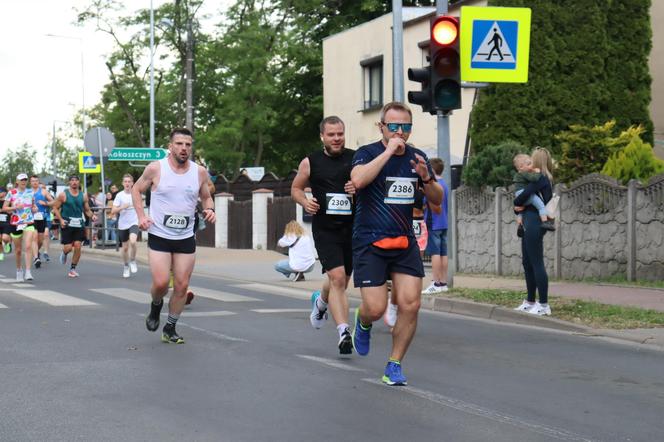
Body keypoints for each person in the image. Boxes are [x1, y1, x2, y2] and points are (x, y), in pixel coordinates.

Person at [350, 102, 443, 386]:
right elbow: (359, 180)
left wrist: (426, 177)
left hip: (404, 242)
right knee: (376, 308)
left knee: (411, 304)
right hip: (370, 240)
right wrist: (389, 151)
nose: (400, 132)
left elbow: (437, 201)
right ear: (381, 127)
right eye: (394, 127)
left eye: (405, 127)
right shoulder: (366, 153)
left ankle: (394, 364)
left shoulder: (418, 157)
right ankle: (363, 321)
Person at [132, 128, 216, 344]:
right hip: (159, 233)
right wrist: (141, 216)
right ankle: (156, 305)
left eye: (188, 144)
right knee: (161, 284)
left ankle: (170, 327)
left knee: (181, 286)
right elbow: (136, 190)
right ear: (170, 147)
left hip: (186, 236)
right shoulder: (155, 168)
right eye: (179, 144)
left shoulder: (199, 172)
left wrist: (210, 209)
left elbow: (206, 197)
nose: (184, 148)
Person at [291, 115, 356, 354]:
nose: (337, 138)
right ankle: (343, 333)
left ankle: (320, 302)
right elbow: (296, 188)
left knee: (341, 279)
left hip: (351, 227)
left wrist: (357, 187)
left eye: (340, 133)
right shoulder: (310, 162)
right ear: (322, 137)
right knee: (338, 278)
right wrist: (305, 202)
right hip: (325, 228)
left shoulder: (356, 158)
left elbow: (368, 183)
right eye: (331, 134)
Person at [513, 147, 554, 316]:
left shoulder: (540, 179)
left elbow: (520, 199)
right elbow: (520, 203)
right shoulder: (536, 179)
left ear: (537, 161)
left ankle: (543, 304)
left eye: (531, 160)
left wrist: (517, 205)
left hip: (535, 222)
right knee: (527, 262)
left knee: (536, 262)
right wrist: (517, 209)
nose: (529, 163)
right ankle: (530, 301)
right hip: (530, 221)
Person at [52, 175, 96, 278]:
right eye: (72, 180)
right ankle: (64, 252)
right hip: (67, 223)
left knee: (78, 246)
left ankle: (72, 269)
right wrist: (61, 219)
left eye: (76, 180)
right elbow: (55, 207)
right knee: (68, 248)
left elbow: (87, 210)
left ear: (79, 182)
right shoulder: (63, 195)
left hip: (79, 224)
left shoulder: (83, 195)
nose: (74, 182)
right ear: (69, 183)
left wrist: (92, 215)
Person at [422, 157, 450, 295]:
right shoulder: (444, 183)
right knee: (443, 253)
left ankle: (435, 282)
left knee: (435, 253)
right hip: (444, 222)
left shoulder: (432, 184)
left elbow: (424, 201)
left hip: (433, 222)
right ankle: (443, 283)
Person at [2, 174, 38, 281]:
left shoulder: (30, 192)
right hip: (16, 223)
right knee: (18, 250)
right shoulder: (11, 193)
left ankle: (28, 272)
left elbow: (33, 205)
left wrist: (34, 208)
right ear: (17, 181)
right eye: (21, 180)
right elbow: (4, 208)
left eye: (25, 180)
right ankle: (19, 270)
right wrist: (15, 207)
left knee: (27, 246)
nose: (24, 181)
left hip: (29, 221)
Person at [512, 154, 555, 234]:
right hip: (533, 219)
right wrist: (516, 206)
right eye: (529, 164)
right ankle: (545, 222)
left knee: (520, 212)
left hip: (532, 218)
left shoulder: (540, 178)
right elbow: (526, 193)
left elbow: (524, 195)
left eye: (531, 163)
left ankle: (520, 226)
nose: (532, 165)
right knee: (540, 205)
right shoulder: (537, 176)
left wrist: (516, 204)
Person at [111, 174, 139, 278]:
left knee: (133, 241)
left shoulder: (136, 194)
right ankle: (126, 265)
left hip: (134, 222)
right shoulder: (119, 195)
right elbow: (113, 211)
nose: (127, 183)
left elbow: (140, 207)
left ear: (132, 183)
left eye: (129, 181)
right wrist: (122, 207)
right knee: (125, 248)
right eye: (125, 182)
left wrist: (142, 219)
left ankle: (132, 260)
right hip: (123, 224)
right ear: (123, 183)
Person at [30, 176, 55, 268]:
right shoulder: (28, 192)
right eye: (33, 181)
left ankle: (36, 252)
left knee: (40, 240)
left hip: (42, 218)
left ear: (38, 182)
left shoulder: (44, 191)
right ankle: (36, 258)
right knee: (34, 237)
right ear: (30, 182)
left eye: (36, 181)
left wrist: (46, 203)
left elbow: (53, 202)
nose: (35, 182)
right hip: (31, 219)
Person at [0, 187, 12, 261]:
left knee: (4, 238)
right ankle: (1, 253)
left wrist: (5, 210)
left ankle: (7, 243)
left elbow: (12, 211)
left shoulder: (8, 201)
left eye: (0, 192)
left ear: (4, 193)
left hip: (7, 222)